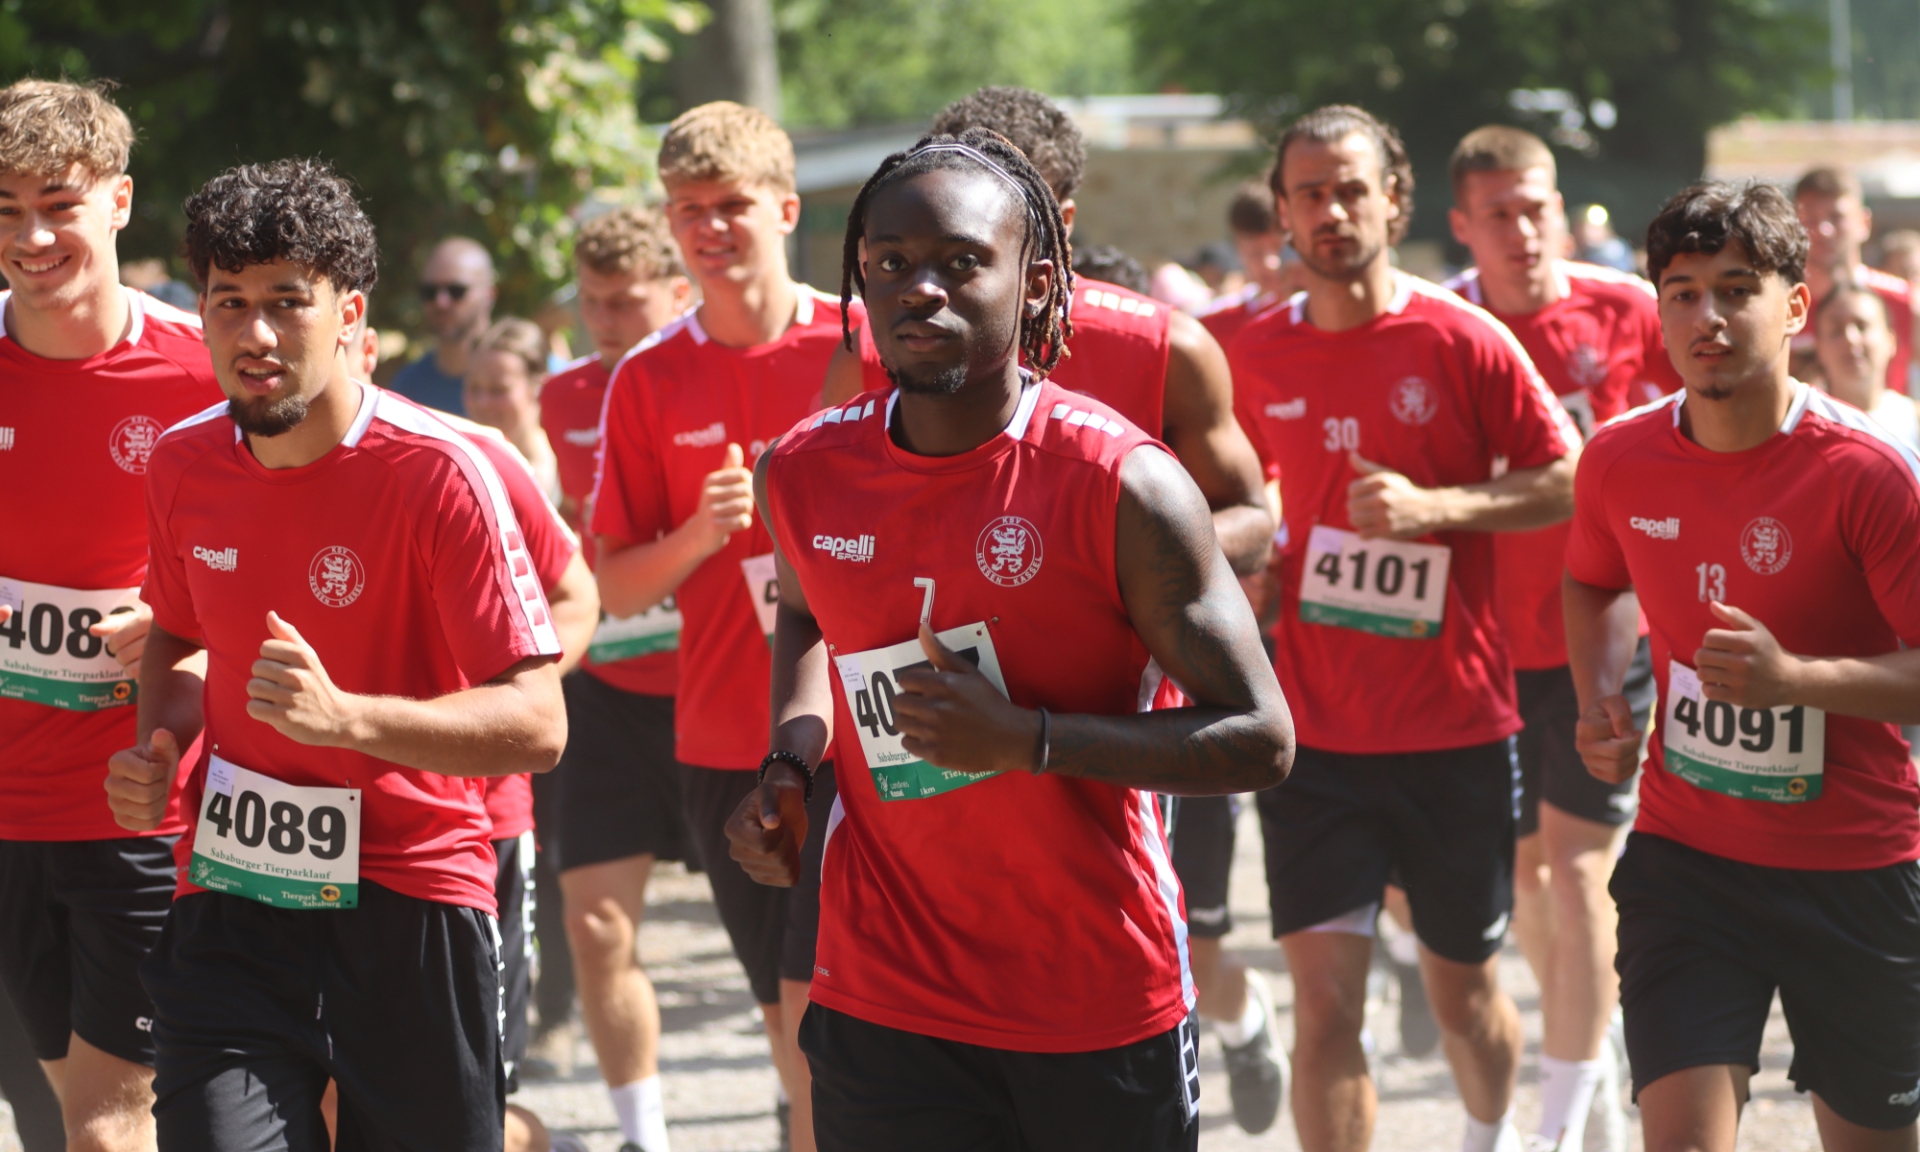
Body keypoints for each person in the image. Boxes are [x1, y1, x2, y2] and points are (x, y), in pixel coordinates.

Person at [724, 125, 1292, 1152]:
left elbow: (1262, 738)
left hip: (1091, 994)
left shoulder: (1124, 483)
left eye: (960, 262)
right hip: (884, 989)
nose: (920, 289)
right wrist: (791, 763)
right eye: (891, 263)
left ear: (1034, 286)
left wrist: (1029, 740)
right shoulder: (801, 471)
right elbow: (807, 613)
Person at [107, 158, 567, 1152]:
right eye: (229, 302)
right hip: (233, 892)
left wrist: (350, 720)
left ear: (349, 313)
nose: (256, 334)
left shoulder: (442, 472)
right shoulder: (181, 462)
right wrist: (159, 750)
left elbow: (538, 724)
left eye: (287, 301)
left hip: (410, 896)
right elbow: (177, 637)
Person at [1229, 104, 1582, 1152]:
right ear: (1284, 212)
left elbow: (1568, 478)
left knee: (1462, 996)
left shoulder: (1461, 338)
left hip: (1454, 731)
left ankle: (1489, 1134)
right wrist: (1252, 562)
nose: (1331, 212)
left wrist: (1440, 507)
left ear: (1393, 200)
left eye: (1351, 190)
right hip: (1313, 737)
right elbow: (1229, 498)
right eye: (1310, 194)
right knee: (1325, 1004)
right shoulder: (1252, 354)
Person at [1565, 178, 1920, 1152]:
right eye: (1681, 294)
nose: (1706, 318)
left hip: (1853, 867)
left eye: (1734, 289)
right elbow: (1591, 581)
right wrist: (1600, 696)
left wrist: (1795, 680)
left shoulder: (1867, 472)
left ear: (1795, 307)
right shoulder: (1618, 460)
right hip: (1687, 860)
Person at [591, 101, 849, 1152]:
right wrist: (701, 533)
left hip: (862, 736)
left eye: (731, 205)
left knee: (832, 1023)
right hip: (726, 746)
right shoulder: (649, 376)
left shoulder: (861, 342)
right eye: (687, 208)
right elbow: (613, 587)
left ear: (784, 209)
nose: (708, 228)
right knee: (789, 1032)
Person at [1443, 124, 1681, 1152]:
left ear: (1560, 206)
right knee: (1530, 879)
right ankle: (1591, 1042)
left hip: (1609, 633)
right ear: (1463, 226)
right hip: (1488, 649)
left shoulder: (1627, 308)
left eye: (1536, 206)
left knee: (1582, 873)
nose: (1524, 229)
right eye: (1499, 213)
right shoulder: (1447, 327)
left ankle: (1565, 1118)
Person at [0, 78, 225, 1152]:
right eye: (6, 210)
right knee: (55, 1123)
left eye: (60, 204)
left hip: (138, 807)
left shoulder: (203, 369)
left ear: (121, 201)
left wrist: (189, 627)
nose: (33, 236)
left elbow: (293, 560)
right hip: (6, 816)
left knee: (106, 1127)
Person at [542, 205, 693, 1152]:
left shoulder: (701, 374)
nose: (604, 320)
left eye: (625, 302)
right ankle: (646, 1136)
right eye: (591, 302)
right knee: (596, 925)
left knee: (782, 945)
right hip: (607, 694)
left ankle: (802, 1099)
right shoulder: (563, 397)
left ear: (677, 295)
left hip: (725, 687)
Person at [1791, 167, 1912, 395]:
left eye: (1836, 217)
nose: (1824, 230)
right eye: (1810, 220)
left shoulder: (1907, 302)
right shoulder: (1782, 307)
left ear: (1864, 223)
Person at [388, 236, 497, 413]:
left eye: (456, 291)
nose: (441, 302)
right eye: (429, 292)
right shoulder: (408, 388)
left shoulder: (525, 376)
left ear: (489, 296)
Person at [1814, 280, 1920, 454]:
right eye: (1836, 331)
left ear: (1891, 341)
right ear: (1819, 348)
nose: (1851, 339)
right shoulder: (1805, 424)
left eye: (1862, 326)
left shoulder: (1915, 420)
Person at [1197, 180, 1301, 351]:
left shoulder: (1321, 316)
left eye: (1280, 248)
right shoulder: (1215, 326)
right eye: (1256, 253)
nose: (1270, 264)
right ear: (1238, 248)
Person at [465, 317, 561, 504]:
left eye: (498, 390)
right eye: (473, 388)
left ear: (537, 387)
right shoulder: (462, 464)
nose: (483, 403)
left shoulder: (563, 469)